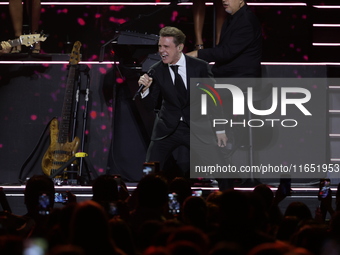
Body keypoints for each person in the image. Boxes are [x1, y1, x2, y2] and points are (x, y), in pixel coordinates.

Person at [138, 26, 232, 191]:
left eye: (166, 47)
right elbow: (149, 106)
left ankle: (228, 204)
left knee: (222, 171)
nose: (161, 51)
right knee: (149, 170)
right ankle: (148, 204)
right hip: (167, 128)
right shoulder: (157, 70)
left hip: (196, 126)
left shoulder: (199, 67)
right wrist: (145, 92)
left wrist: (219, 129)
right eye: (160, 46)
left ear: (179, 47)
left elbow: (213, 99)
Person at [187, 0, 262, 78]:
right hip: (229, 75)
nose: (223, 0)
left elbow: (226, 52)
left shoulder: (246, 22)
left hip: (240, 78)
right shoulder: (233, 17)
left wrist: (197, 53)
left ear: (241, 1)